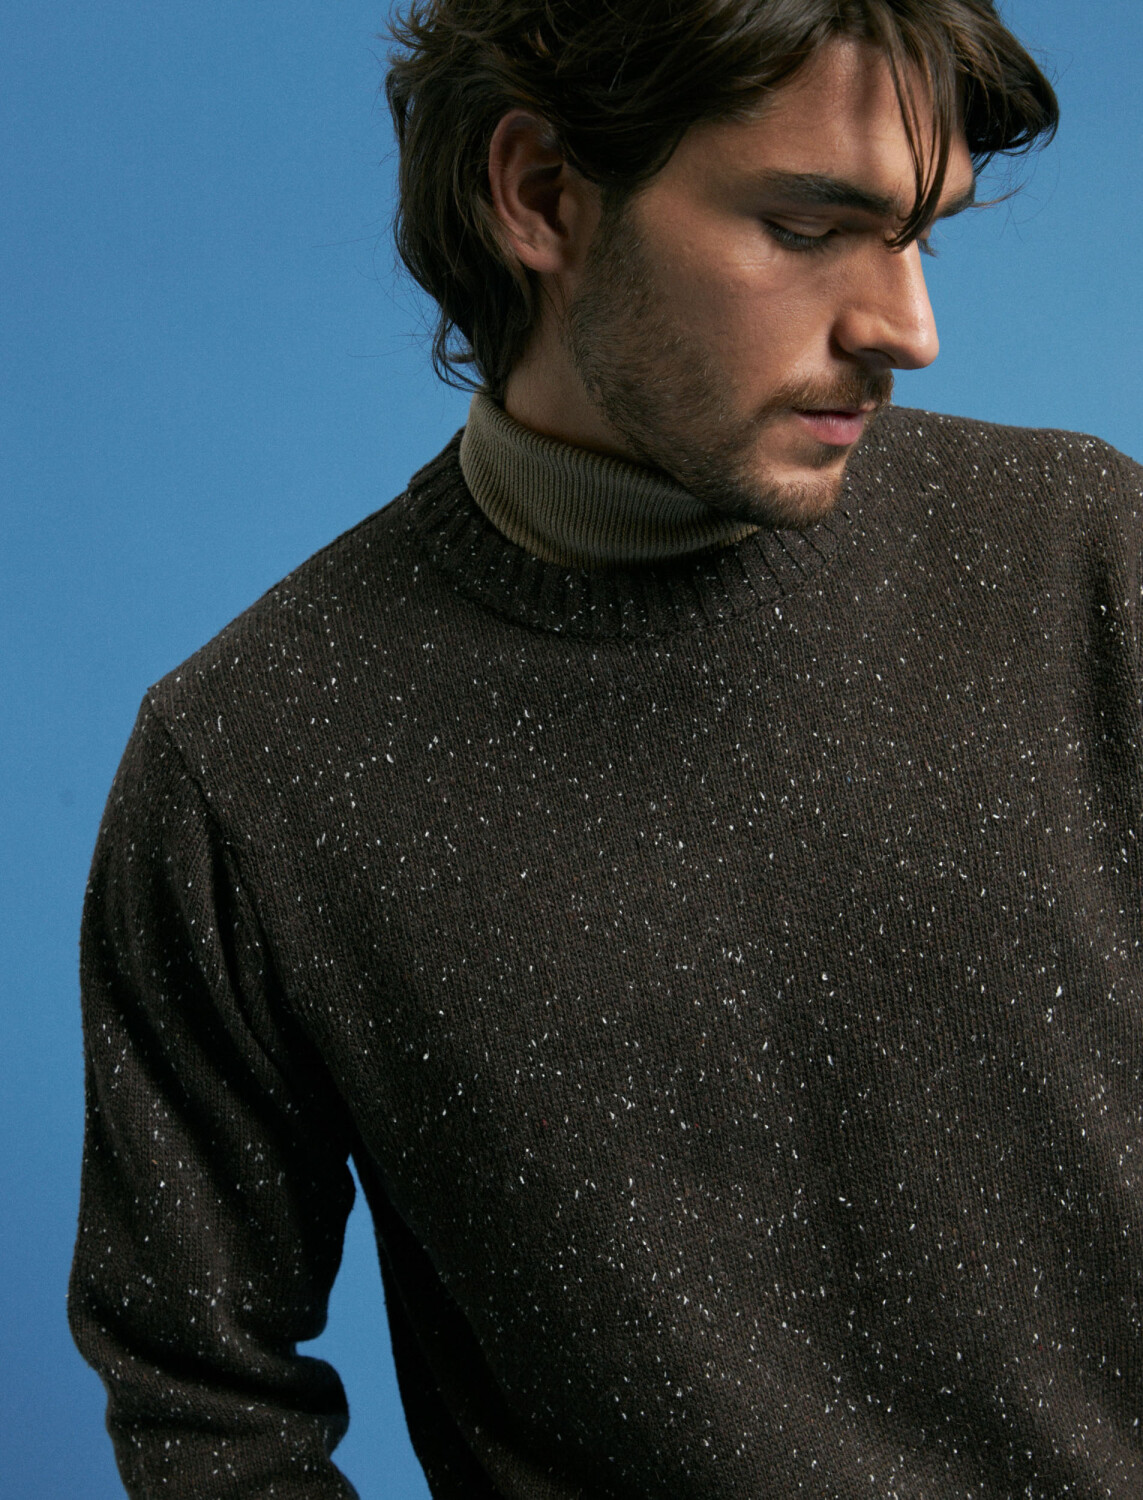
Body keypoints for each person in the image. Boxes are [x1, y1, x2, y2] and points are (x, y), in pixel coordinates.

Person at [69, 1, 1143, 1496]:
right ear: (541, 195)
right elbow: (204, 1396)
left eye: (922, 235)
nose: (908, 329)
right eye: (808, 227)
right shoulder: (249, 760)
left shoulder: (1096, 559)